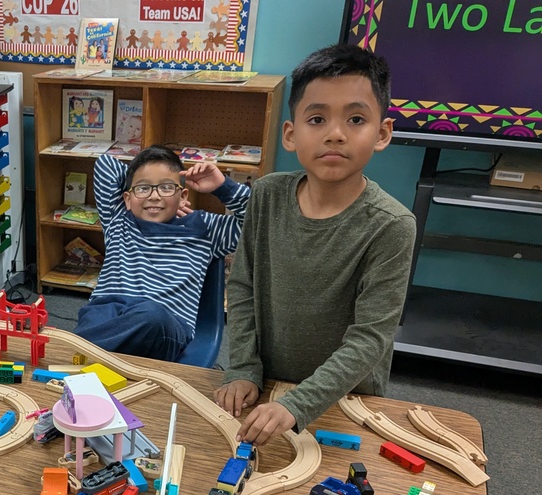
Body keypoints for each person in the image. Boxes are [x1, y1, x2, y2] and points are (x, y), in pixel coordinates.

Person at [215, 43, 417, 445]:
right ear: (290, 133)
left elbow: (369, 340)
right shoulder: (267, 195)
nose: (336, 134)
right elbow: (241, 287)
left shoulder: (392, 226)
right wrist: (242, 368)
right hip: (265, 386)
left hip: (347, 400)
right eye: (317, 118)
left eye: (356, 119)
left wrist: (298, 404)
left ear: (382, 133)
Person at [73, 146, 250, 361]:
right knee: (96, 314)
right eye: (144, 189)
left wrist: (223, 186)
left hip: (163, 325)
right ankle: (94, 358)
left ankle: (77, 351)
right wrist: (153, 186)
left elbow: (260, 221)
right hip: (107, 312)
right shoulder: (118, 217)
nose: (155, 196)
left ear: (183, 195)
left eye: (166, 188)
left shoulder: (205, 227)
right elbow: (104, 165)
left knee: (151, 315)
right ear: (127, 199)